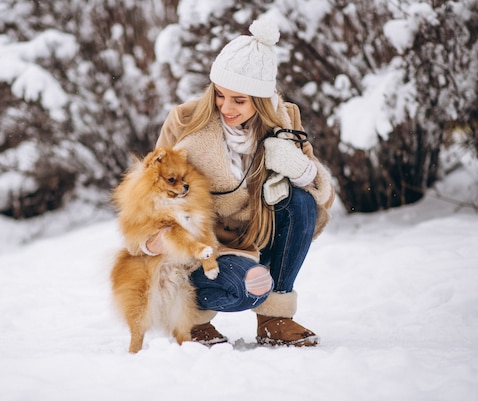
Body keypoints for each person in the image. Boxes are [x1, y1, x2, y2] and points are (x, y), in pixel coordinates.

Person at [143, 18, 335, 347]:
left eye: (239, 100)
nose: (225, 107)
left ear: (260, 101)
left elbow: (321, 197)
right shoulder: (186, 121)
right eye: (220, 95)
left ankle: (275, 318)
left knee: (301, 200)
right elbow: (152, 188)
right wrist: (152, 240)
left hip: (259, 236)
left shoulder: (285, 119)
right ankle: (191, 320)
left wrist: (297, 166)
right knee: (247, 289)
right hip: (207, 244)